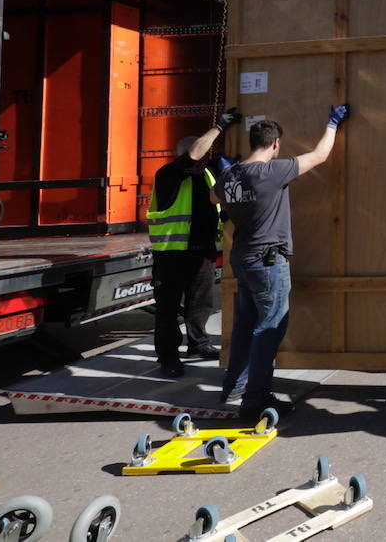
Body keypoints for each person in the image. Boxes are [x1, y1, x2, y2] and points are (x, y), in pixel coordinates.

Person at [215, 105, 350, 420]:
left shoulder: (231, 175)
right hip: (267, 262)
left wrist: (230, 176)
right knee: (269, 328)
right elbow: (319, 156)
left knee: (247, 325)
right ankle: (256, 400)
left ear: (252, 142)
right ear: (275, 144)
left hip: (244, 260)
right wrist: (332, 123)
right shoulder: (271, 171)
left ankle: (234, 386)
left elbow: (213, 197)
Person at [147, 108, 240, 377]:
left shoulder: (207, 175)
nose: (205, 159)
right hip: (172, 254)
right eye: (201, 154)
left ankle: (198, 344)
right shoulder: (168, 174)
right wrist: (219, 127)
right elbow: (195, 155)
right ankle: (168, 357)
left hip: (203, 252)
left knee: (201, 303)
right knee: (167, 309)